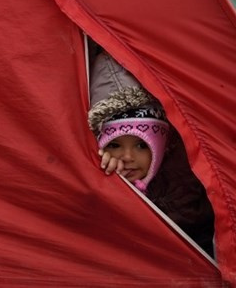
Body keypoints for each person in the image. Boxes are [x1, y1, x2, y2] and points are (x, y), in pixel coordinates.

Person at [88, 48, 215, 257]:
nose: (127, 157)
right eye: (114, 145)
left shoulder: (185, 183)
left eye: (141, 146)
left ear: (161, 145)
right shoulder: (96, 174)